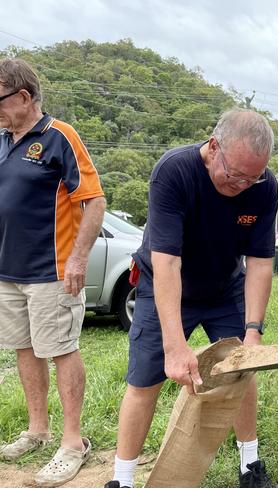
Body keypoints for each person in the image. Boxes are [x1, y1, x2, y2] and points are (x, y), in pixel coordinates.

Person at [105, 109, 278, 488]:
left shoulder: (263, 186)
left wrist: (253, 330)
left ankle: (250, 466)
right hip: (164, 283)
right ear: (214, 148)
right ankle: (122, 480)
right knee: (144, 380)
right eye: (235, 176)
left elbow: (261, 262)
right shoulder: (175, 171)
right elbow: (167, 263)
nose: (244, 186)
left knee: (241, 371)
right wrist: (175, 346)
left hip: (224, 286)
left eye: (254, 178)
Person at [0, 58, 106, 486]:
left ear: (24, 97)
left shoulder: (60, 136)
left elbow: (94, 200)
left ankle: (73, 443)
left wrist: (79, 259)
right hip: (9, 273)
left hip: (52, 271)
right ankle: (38, 431)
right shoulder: (3, 140)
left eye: (0, 101)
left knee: (60, 350)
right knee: (24, 350)